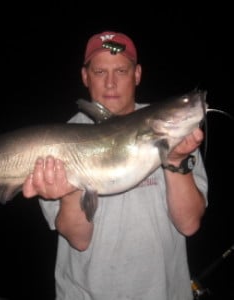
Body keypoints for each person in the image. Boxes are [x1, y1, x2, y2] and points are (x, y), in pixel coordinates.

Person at [22, 31, 208, 300]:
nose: (110, 83)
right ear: (85, 76)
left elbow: (189, 224)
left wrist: (176, 161)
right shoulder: (60, 142)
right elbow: (79, 240)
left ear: (137, 74)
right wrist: (72, 188)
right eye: (99, 72)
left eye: (121, 70)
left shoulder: (175, 131)